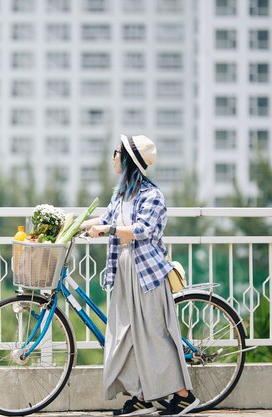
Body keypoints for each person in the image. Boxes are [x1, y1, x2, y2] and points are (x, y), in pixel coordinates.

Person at [81, 134, 200, 417]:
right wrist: (74, 224)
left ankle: (184, 396)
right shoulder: (122, 194)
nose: (113, 156)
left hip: (147, 273)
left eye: (117, 152)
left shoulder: (152, 196)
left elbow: (142, 230)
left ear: (129, 161)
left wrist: (107, 231)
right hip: (125, 269)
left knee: (153, 334)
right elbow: (108, 218)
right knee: (125, 333)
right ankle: (141, 395)